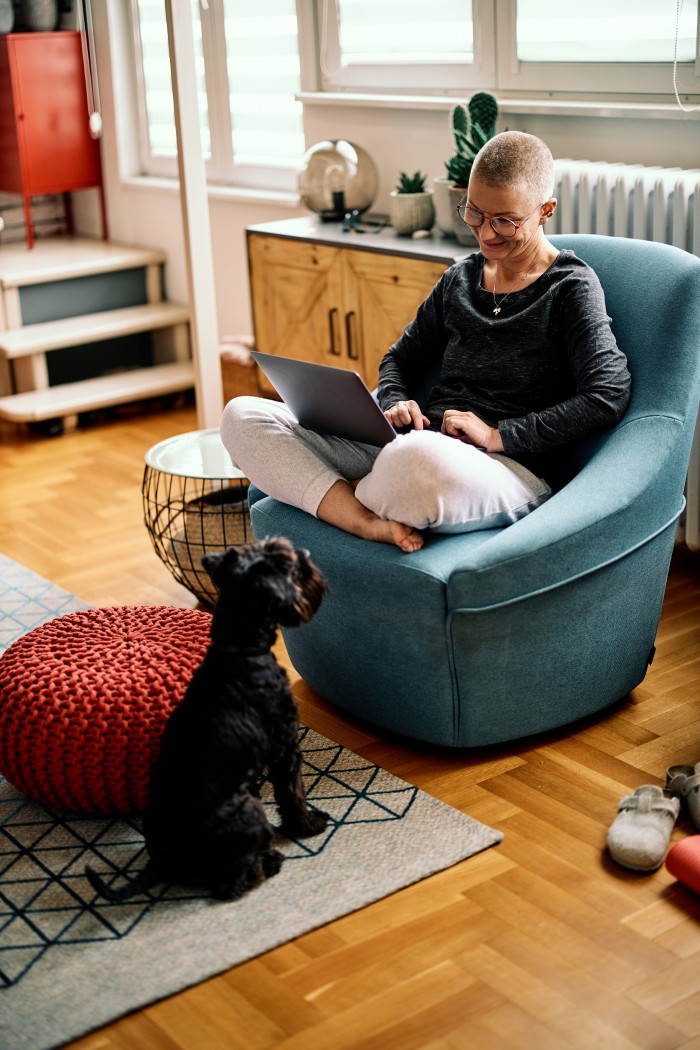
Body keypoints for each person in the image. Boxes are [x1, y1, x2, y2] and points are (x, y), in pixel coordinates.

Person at [221, 131, 631, 553]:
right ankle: (363, 518)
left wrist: (497, 435)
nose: (485, 234)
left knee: (413, 464)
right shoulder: (460, 279)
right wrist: (394, 401)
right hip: (415, 443)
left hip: (501, 468)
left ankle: (334, 490)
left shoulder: (570, 288)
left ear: (545, 211)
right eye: (473, 213)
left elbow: (608, 393)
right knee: (242, 416)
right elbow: (399, 359)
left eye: (504, 221)